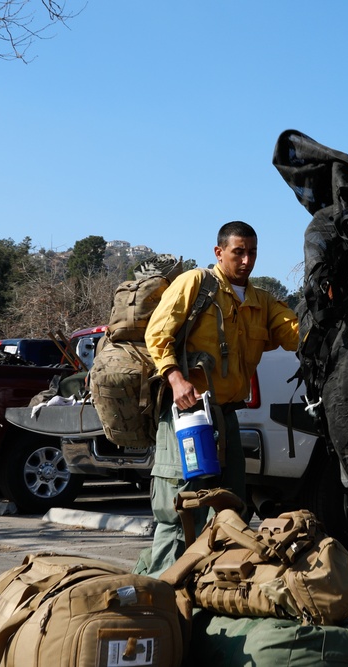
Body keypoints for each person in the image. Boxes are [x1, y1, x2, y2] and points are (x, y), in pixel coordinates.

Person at [135, 221, 299, 577]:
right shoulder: (196, 283)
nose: (246, 260)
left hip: (226, 417)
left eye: (252, 252)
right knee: (180, 508)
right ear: (219, 252)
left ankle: (211, 591)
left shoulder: (262, 302)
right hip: (188, 414)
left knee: (230, 509)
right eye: (238, 251)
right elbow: (157, 333)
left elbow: (295, 335)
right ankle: (160, 594)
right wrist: (176, 379)